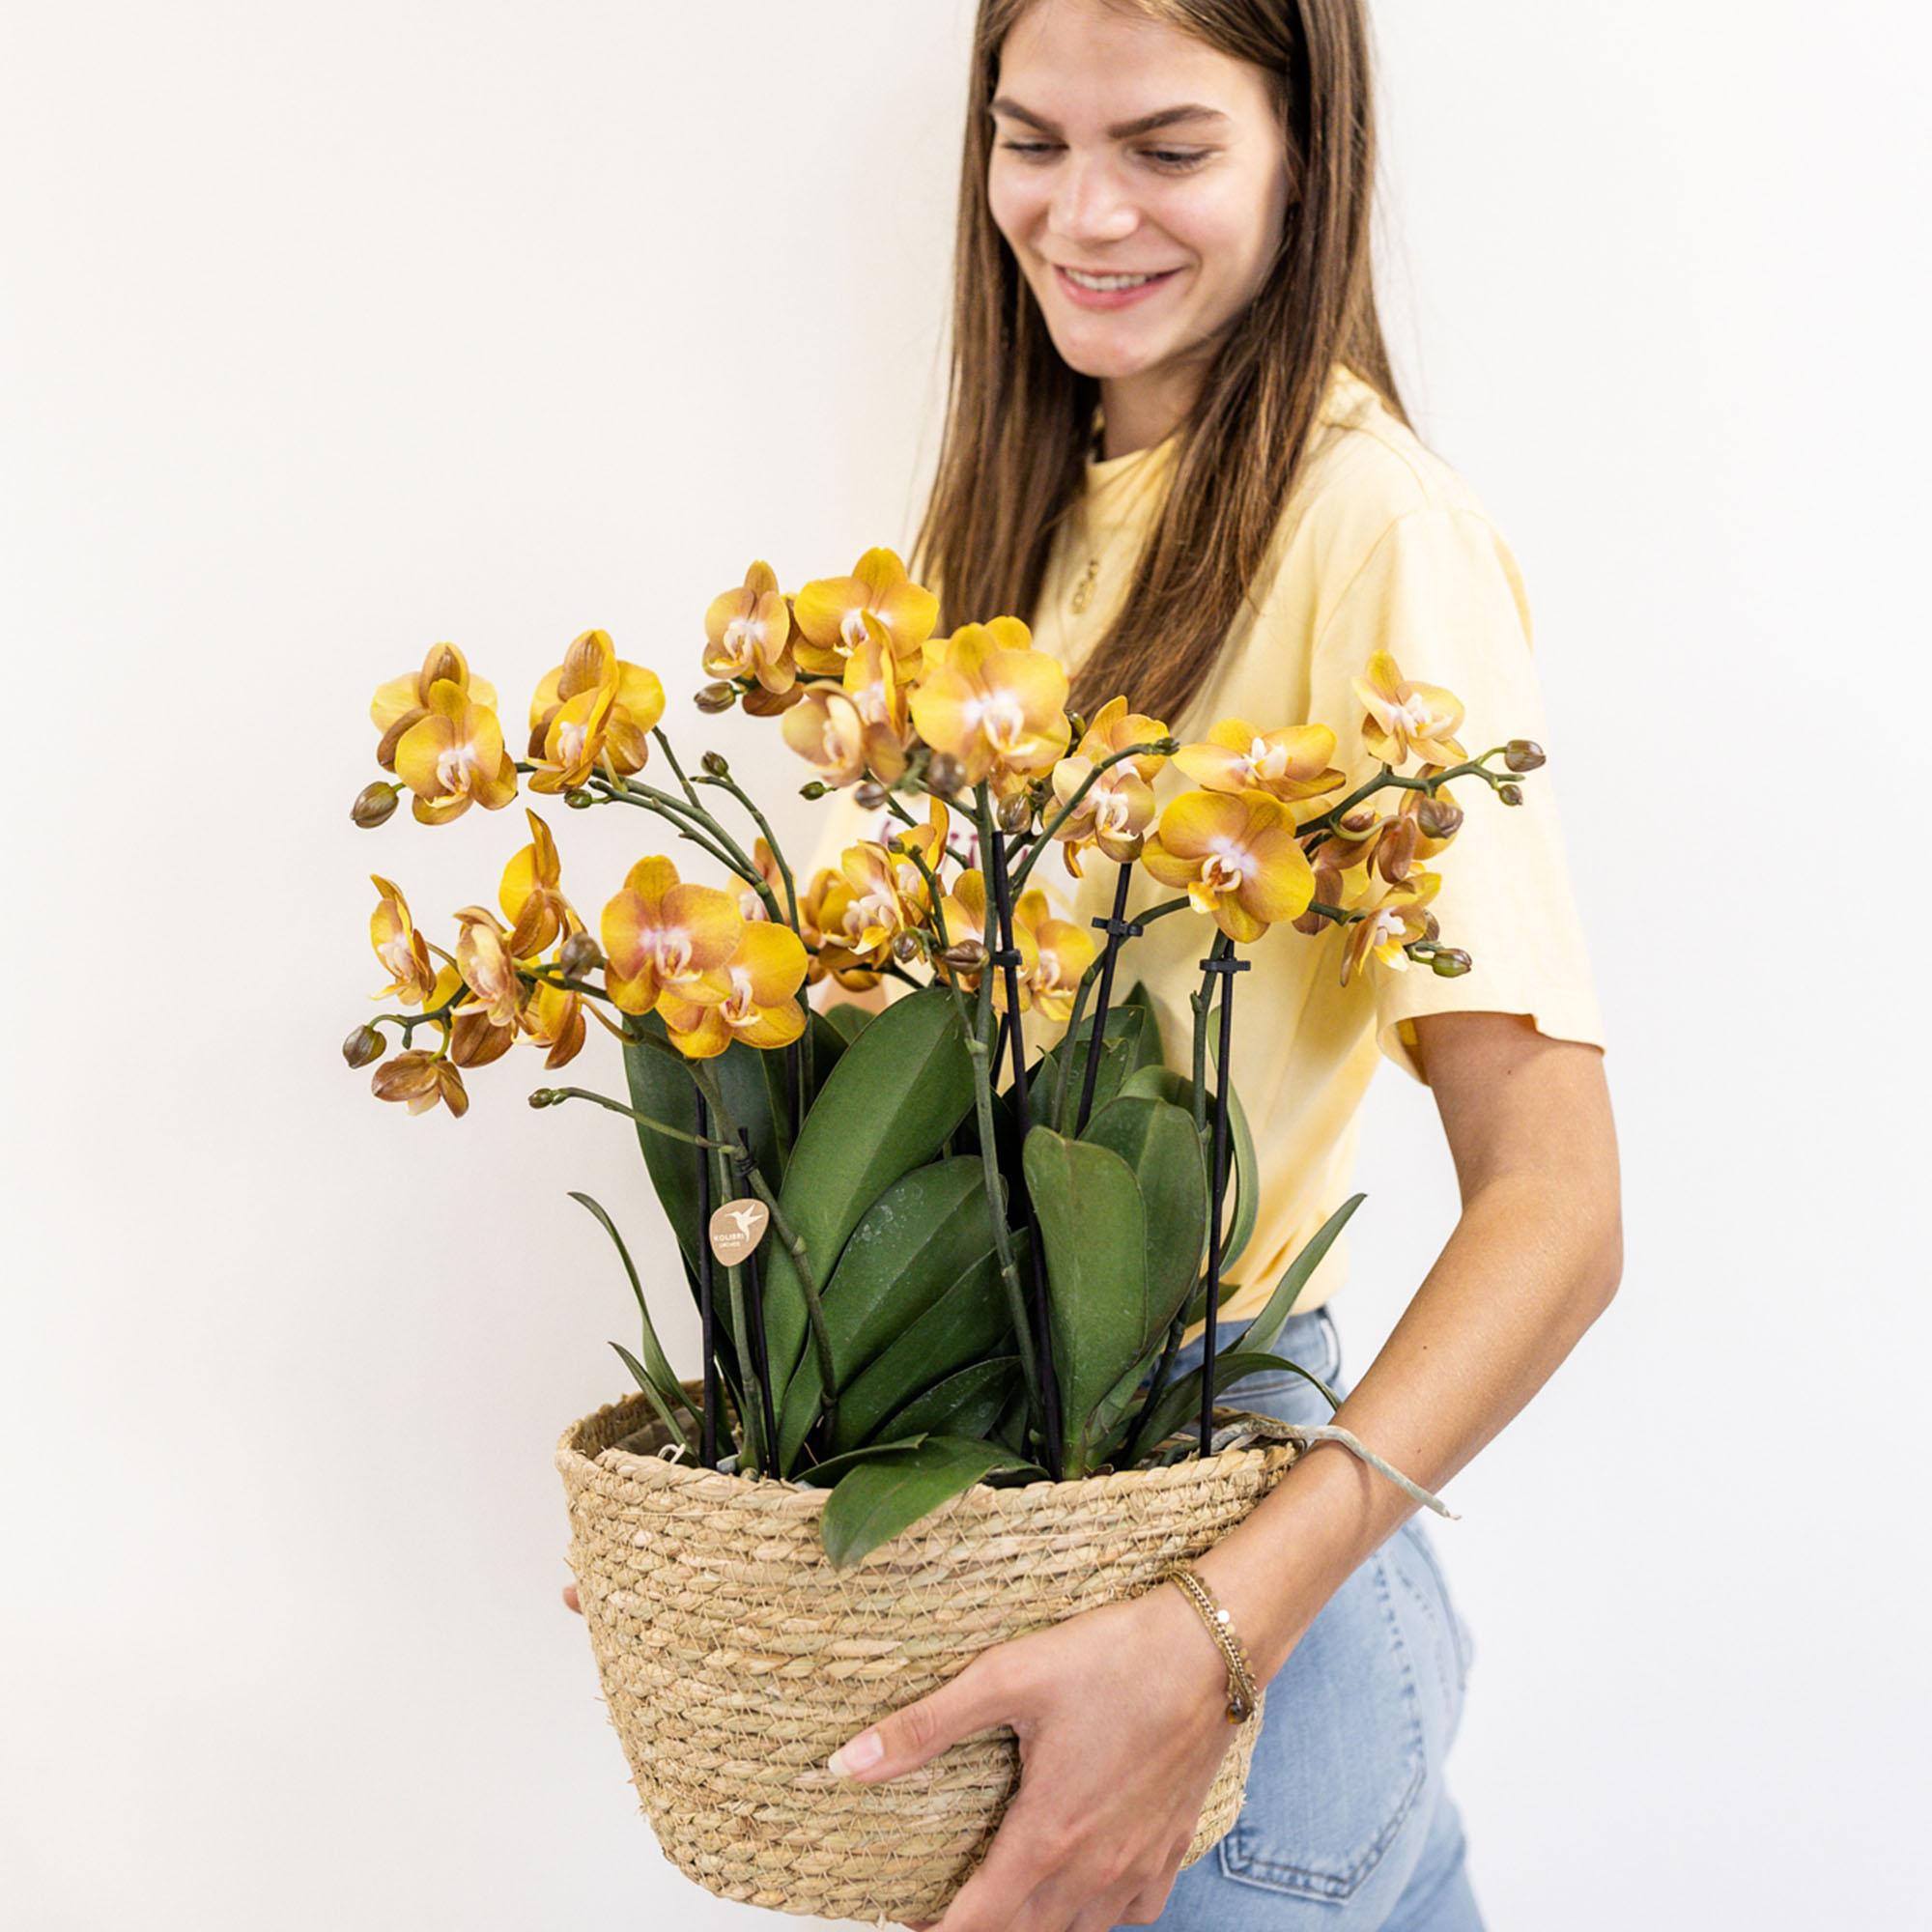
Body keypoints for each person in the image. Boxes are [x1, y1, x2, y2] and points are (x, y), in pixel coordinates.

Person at [567, 4, 1622, 1927]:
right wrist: (745, 1498)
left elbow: (1560, 1206)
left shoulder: (1369, 530)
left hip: (1214, 1575)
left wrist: (1213, 1633)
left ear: (1307, 156)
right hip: (1016, 1536)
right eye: (1031, 139)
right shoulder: (1013, 513)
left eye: (1168, 147)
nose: (1082, 214)